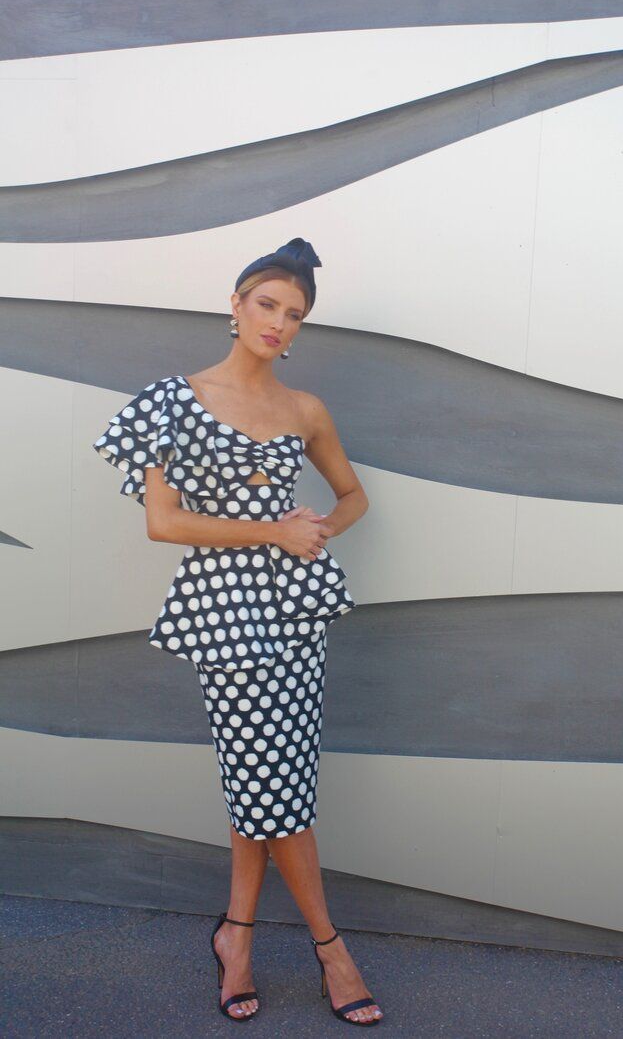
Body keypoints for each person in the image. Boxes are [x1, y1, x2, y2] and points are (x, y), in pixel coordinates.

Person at [92, 237, 383, 1026]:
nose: (279, 322)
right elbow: (164, 522)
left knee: (266, 773)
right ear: (235, 302)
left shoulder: (303, 408)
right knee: (270, 775)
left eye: (293, 315)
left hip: (295, 609)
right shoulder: (170, 400)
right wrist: (269, 533)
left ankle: (238, 937)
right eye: (267, 304)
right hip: (224, 610)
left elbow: (353, 496)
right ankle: (331, 946)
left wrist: (315, 530)